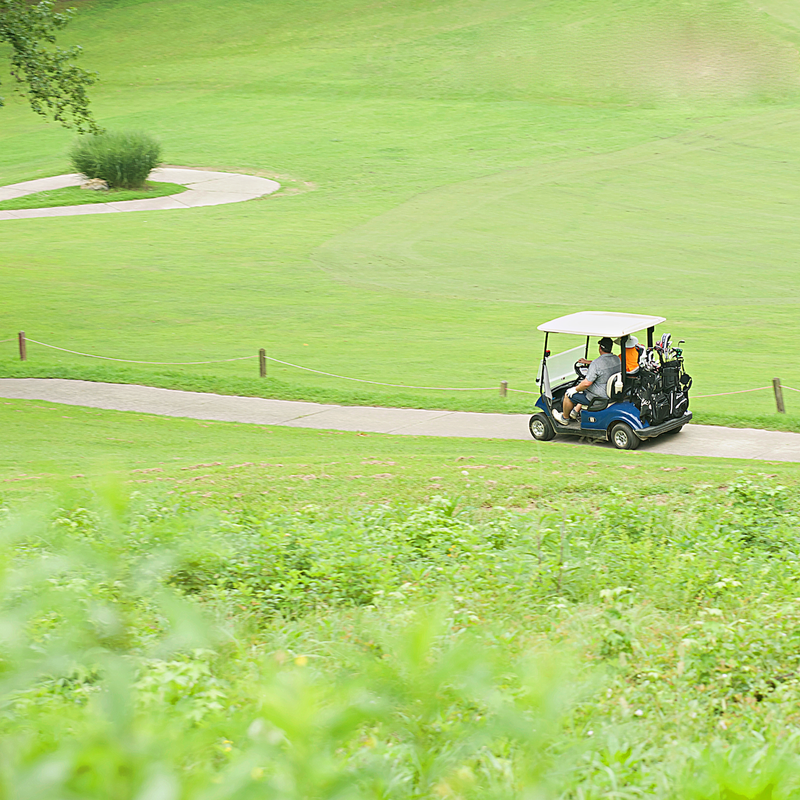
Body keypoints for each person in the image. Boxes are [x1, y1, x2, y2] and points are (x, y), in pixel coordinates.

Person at [553, 337, 621, 425]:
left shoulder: (596, 364)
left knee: (568, 394)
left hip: (597, 397)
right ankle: (574, 412)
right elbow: (604, 364)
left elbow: (587, 383)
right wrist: (588, 362)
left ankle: (564, 418)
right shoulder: (616, 359)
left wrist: (575, 389)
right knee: (581, 388)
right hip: (611, 392)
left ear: (600, 348)